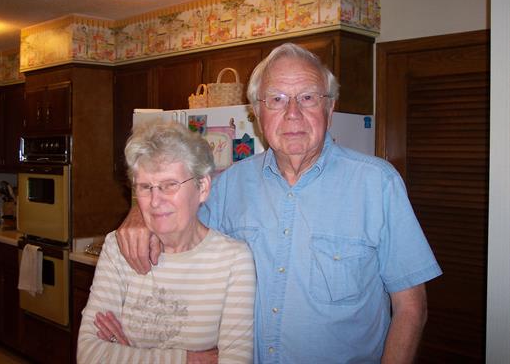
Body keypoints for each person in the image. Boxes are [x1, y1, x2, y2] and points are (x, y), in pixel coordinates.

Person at [113, 43, 443, 363]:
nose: (293, 113)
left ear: (330, 107)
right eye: (277, 100)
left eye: (308, 98)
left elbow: (412, 308)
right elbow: (173, 238)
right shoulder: (227, 185)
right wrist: (139, 214)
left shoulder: (377, 183)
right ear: (256, 112)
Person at [77, 120, 256, 363]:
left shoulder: (233, 260)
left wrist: (129, 355)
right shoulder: (118, 248)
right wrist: (189, 359)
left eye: (169, 185)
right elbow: (89, 355)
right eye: (145, 187)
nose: (154, 201)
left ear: (202, 187)